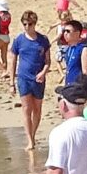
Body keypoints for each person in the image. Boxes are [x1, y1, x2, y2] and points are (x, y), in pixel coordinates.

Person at [10, 9, 51, 150]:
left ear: (35, 24)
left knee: (37, 109)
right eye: (25, 24)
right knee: (26, 108)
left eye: (30, 24)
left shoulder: (43, 40)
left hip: (38, 78)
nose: (27, 27)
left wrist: (43, 72)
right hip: (23, 78)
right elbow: (13, 61)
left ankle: (33, 134)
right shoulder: (18, 40)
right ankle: (30, 139)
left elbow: (48, 61)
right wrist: (11, 82)